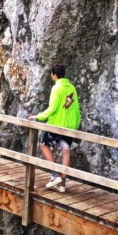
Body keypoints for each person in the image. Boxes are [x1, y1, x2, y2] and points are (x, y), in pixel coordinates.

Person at [28, 63, 80, 193]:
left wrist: (38, 116)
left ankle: (55, 175)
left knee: (43, 145)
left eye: (51, 73)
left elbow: (53, 108)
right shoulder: (72, 88)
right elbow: (72, 107)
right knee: (66, 150)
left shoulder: (57, 88)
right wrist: (76, 124)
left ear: (54, 75)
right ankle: (62, 183)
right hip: (69, 125)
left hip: (56, 125)